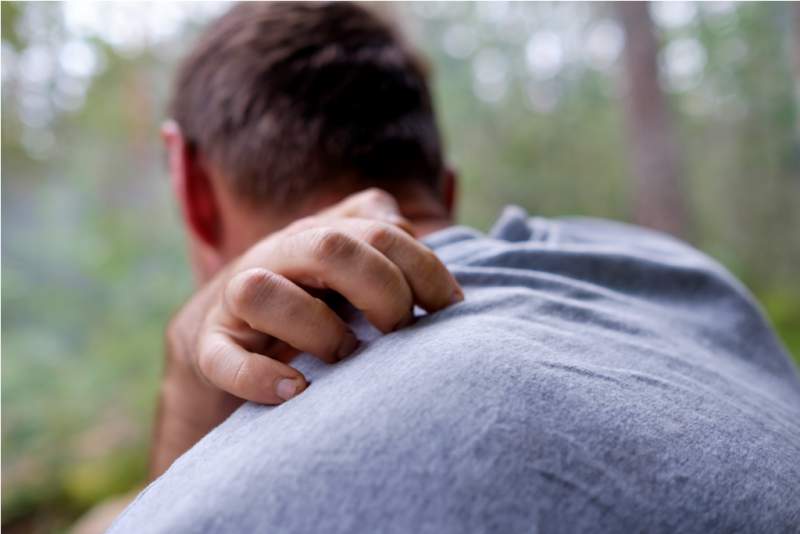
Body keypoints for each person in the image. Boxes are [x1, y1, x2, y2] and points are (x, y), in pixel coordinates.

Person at [110, 2, 800, 532]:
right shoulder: (681, 277)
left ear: (192, 189)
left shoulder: (207, 510)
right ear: (445, 189)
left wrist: (186, 364)